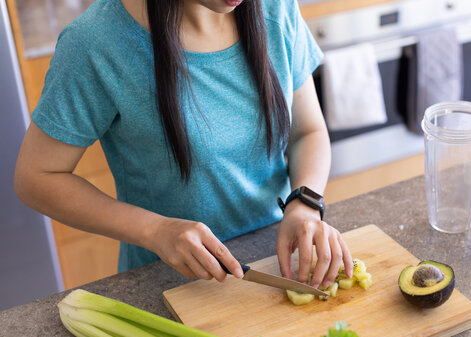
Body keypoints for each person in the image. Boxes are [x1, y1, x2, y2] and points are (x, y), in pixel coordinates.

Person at [14, 0, 353, 290]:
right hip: (169, 283)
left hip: (279, 263)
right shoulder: (95, 42)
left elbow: (307, 131)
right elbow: (37, 177)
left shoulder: (275, 9)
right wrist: (156, 230)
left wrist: (303, 204)